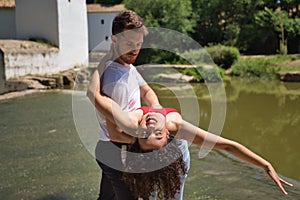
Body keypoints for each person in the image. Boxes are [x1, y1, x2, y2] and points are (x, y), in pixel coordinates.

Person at [87, 82, 294, 199]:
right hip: (152, 157)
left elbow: (96, 98)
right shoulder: (170, 126)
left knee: (172, 192)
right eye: (155, 133)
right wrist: (264, 164)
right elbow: (227, 145)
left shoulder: (135, 126)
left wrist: (101, 67)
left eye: (146, 134)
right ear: (166, 135)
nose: (150, 127)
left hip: (176, 158)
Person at [87, 10, 190, 200]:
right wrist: (152, 138)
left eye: (139, 44)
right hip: (117, 152)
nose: (135, 50)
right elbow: (116, 133)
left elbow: (148, 91)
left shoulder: (128, 68)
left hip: (110, 150)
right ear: (115, 40)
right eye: (129, 44)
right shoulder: (114, 81)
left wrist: (157, 113)